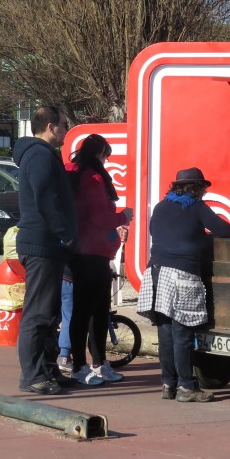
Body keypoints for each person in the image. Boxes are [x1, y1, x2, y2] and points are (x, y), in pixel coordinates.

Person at [136, 167, 230, 403]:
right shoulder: (196, 206)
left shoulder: (160, 207)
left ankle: (168, 384)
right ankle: (187, 388)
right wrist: (202, 237)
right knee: (183, 334)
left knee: (165, 332)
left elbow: (163, 234)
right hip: (181, 275)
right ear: (196, 188)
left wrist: (196, 236)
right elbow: (224, 230)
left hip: (155, 273)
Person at [11, 106, 78, 395]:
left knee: (49, 314)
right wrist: (65, 234)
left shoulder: (43, 155)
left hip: (48, 244)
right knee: (38, 313)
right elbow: (45, 199)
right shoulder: (39, 156)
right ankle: (33, 375)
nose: (66, 130)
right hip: (42, 243)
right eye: (63, 125)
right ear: (51, 127)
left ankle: (48, 371)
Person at [63, 134, 134, 385]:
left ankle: (89, 363)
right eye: (106, 155)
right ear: (99, 153)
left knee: (87, 312)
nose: (106, 160)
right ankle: (88, 365)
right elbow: (98, 218)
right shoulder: (93, 178)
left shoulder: (72, 171)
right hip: (92, 253)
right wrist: (122, 216)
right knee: (93, 313)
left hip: (78, 251)